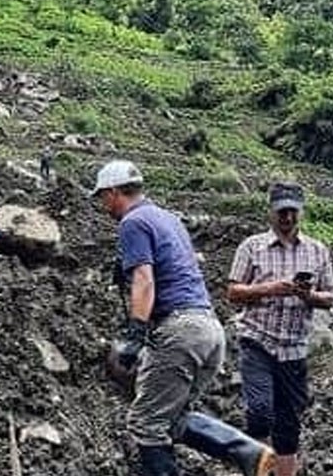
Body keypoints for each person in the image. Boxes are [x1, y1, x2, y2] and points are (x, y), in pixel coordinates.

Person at [96, 160, 226, 476]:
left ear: (114, 192)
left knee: (146, 422)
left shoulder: (133, 222)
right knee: (171, 416)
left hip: (178, 329)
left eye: (102, 197)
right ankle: (252, 455)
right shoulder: (166, 217)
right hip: (208, 329)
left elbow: (145, 279)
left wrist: (136, 332)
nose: (103, 206)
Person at [226, 182, 333, 476]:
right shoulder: (252, 246)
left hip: (295, 346)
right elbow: (233, 292)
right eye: (281, 212)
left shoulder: (317, 251)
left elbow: (330, 296)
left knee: (289, 422)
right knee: (260, 411)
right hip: (258, 339)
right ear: (271, 213)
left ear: (300, 212)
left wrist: (309, 296)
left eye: (292, 211)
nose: (286, 217)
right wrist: (271, 288)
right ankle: (258, 469)